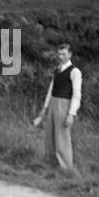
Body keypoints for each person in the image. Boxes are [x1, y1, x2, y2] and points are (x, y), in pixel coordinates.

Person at [32, 43, 83, 174]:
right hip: (54, 102)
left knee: (62, 136)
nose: (61, 57)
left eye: (64, 54)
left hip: (64, 104)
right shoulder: (57, 69)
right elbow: (51, 90)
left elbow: (77, 94)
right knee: (50, 135)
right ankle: (51, 164)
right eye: (59, 54)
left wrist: (71, 114)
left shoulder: (74, 71)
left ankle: (66, 168)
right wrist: (45, 107)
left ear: (70, 55)